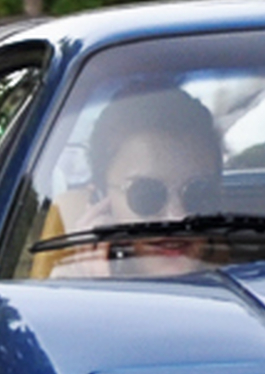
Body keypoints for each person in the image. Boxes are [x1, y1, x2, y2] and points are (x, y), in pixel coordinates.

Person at [40, 87, 223, 277]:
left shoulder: (246, 283)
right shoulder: (60, 297)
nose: (176, 217)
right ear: (101, 200)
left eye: (198, 194)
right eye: (147, 195)